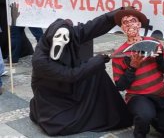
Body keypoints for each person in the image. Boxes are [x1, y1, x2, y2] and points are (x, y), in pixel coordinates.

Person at [29, 8, 133, 136]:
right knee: (59, 125)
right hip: (52, 95)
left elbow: (92, 27)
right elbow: (70, 75)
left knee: (96, 72)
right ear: (51, 36)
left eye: (64, 37)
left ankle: (110, 112)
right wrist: (98, 60)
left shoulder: (72, 35)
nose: (61, 40)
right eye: (58, 37)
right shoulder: (40, 60)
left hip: (69, 86)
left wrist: (115, 14)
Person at [111, 7, 164, 138]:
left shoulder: (154, 43)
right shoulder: (119, 55)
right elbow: (120, 86)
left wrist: (160, 59)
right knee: (145, 115)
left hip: (160, 95)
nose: (129, 25)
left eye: (133, 21)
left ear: (139, 24)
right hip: (138, 97)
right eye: (125, 23)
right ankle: (140, 131)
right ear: (122, 27)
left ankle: (154, 117)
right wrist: (132, 68)